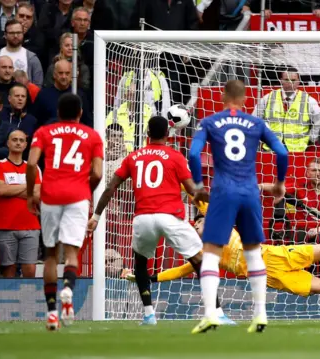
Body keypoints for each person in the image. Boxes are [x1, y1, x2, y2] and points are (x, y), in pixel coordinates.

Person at [88, 116, 232, 326]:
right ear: (167, 134)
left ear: (147, 133)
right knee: (200, 261)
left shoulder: (133, 157)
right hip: (170, 217)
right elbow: (193, 191)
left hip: (143, 218)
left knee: (140, 264)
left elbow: (110, 188)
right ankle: (216, 312)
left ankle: (148, 315)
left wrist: (96, 216)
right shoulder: (175, 156)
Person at [187, 79, 288, 334]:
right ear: (245, 100)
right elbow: (282, 152)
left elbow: (193, 153)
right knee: (253, 253)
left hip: (223, 191)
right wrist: (278, 184)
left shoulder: (210, 122)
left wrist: (199, 185)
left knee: (210, 253)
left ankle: (211, 313)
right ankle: (260, 314)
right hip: (250, 192)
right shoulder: (256, 123)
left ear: (223, 97)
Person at [140, 209, 320, 304]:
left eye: (197, 223)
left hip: (274, 256)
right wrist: (153, 277)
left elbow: (201, 199)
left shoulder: (219, 224)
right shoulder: (201, 254)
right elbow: (183, 271)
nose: (195, 226)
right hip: (269, 276)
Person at [26, 93, 103, 331]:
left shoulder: (44, 132)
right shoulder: (93, 136)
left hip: (50, 196)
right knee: (72, 253)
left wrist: (31, 194)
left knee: (50, 254)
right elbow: (98, 173)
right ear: (80, 113)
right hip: (77, 197)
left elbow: (31, 164)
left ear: (58, 113)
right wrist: (84, 191)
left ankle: (51, 313)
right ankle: (68, 289)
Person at [0, 130, 41, 278]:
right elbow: (1, 190)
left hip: (30, 225)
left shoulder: (34, 168)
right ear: (8, 143)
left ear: (26, 145)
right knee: (8, 271)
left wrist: (10, 189)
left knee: (30, 270)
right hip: (4, 226)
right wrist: (28, 186)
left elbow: (38, 195)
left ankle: (28, 300)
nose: (18, 142)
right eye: (14, 140)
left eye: (21, 140)